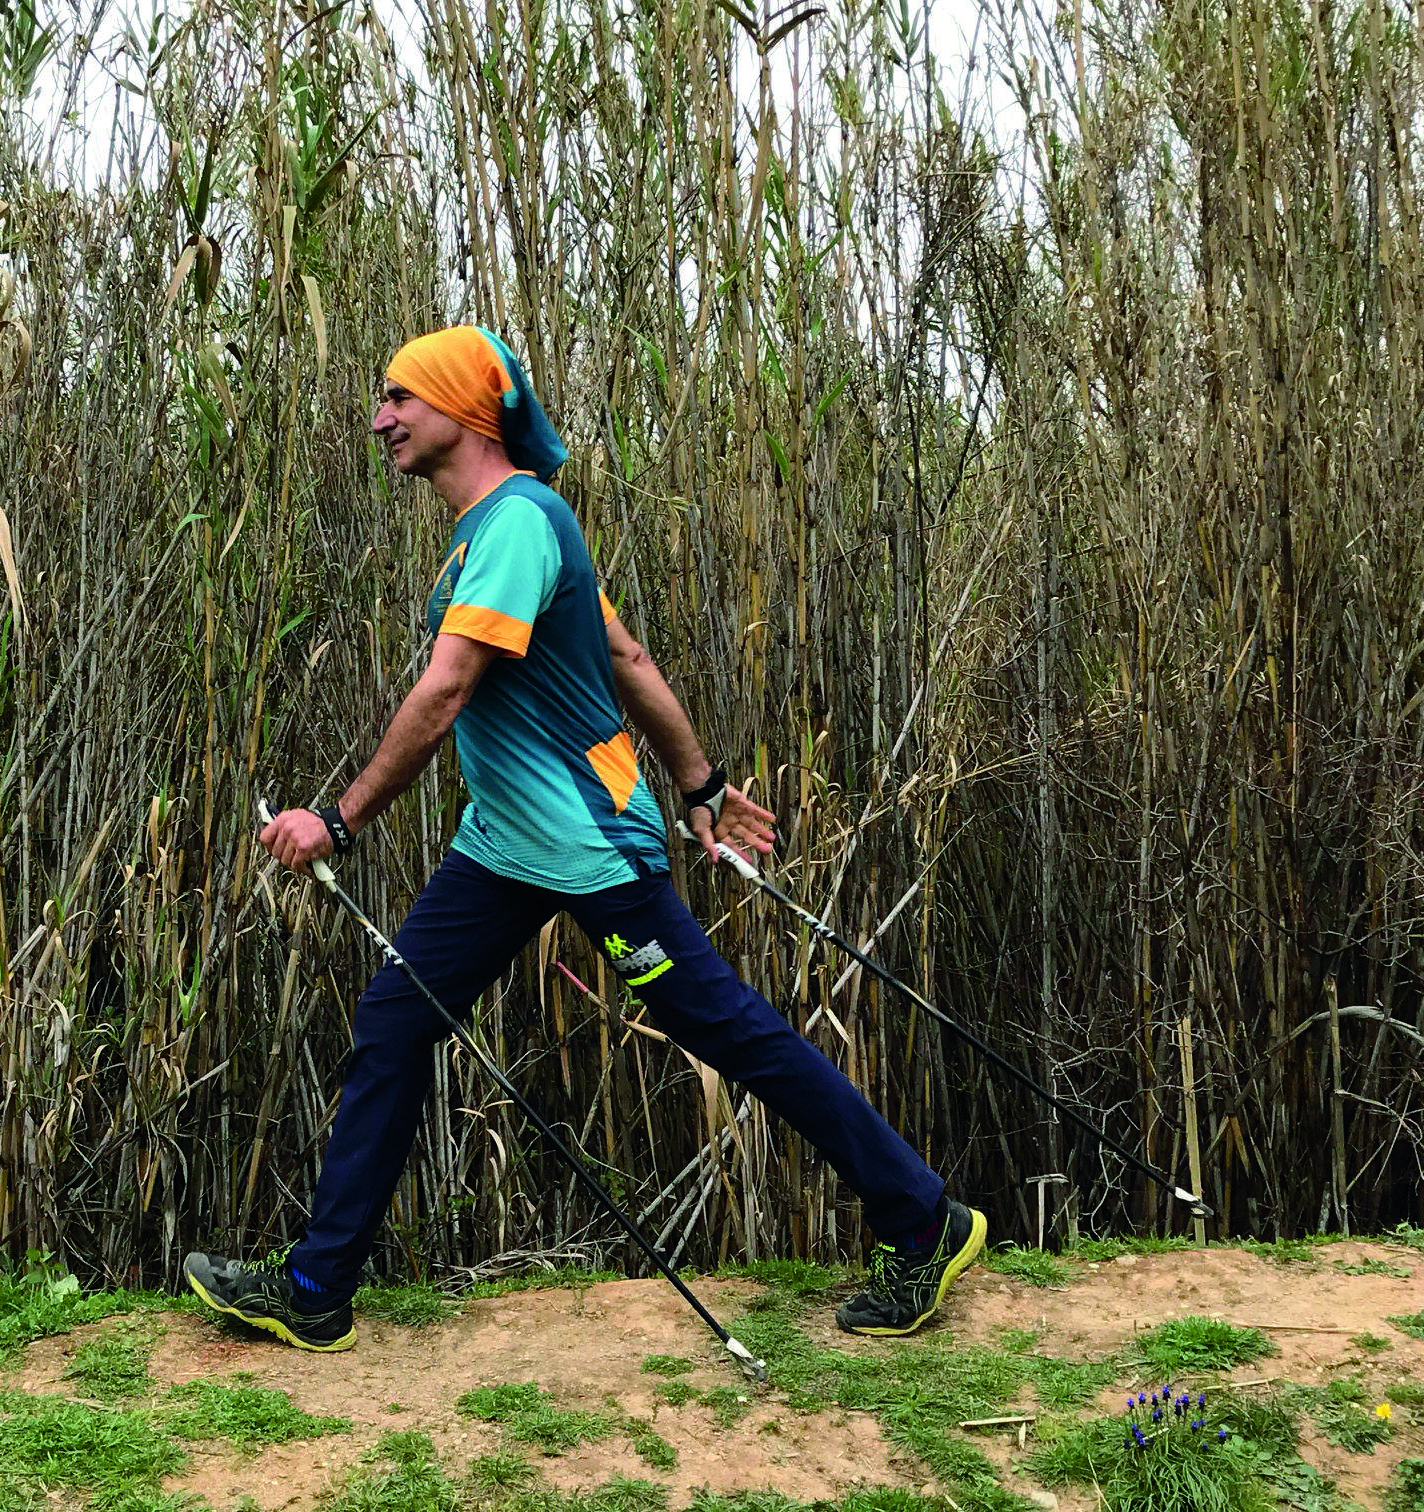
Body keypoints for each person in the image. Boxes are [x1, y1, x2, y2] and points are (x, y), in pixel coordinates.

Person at [184, 326, 985, 1352]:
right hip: (504, 849)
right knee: (395, 1021)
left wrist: (337, 818)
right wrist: (703, 784)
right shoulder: (507, 528)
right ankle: (316, 1288)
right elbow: (626, 655)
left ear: (460, 411)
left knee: (727, 1029)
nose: (380, 420)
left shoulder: (517, 523)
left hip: (590, 850)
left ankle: (923, 1220)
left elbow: (448, 688)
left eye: (398, 399)